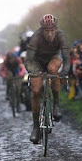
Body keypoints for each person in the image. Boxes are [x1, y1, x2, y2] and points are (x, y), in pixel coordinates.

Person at [25, 14, 70, 144]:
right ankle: (35, 127)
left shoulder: (61, 35)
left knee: (52, 69)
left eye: (52, 31)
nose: (50, 34)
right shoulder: (36, 37)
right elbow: (28, 59)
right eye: (46, 31)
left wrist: (65, 72)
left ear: (56, 29)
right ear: (41, 30)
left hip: (53, 58)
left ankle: (56, 104)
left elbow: (67, 58)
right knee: (36, 89)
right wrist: (33, 72)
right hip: (36, 61)